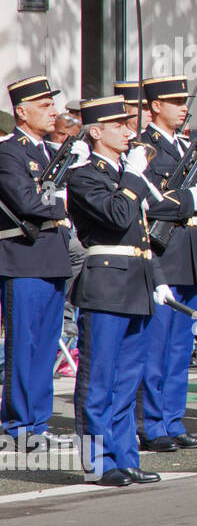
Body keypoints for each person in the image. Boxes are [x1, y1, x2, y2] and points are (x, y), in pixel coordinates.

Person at [66, 96, 162, 486]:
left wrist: (157, 279)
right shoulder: (85, 175)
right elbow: (119, 215)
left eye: (129, 124)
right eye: (119, 125)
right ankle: (98, 462)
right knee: (99, 377)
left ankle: (126, 456)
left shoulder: (124, 172)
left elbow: (140, 235)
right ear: (96, 131)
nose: (129, 131)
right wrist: (135, 178)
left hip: (136, 279)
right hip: (106, 282)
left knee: (127, 378)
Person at [137, 75, 197, 452]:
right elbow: (150, 201)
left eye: (186, 102)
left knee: (180, 348)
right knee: (157, 346)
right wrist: (189, 201)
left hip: (190, 253)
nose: (184, 108)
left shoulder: (188, 145)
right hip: (163, 253)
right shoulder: (145, 148)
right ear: (155, 106)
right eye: (175, 102)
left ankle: (172, 418)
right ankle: (151, 424)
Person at [0, 75, 75, 450]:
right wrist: (68, 203)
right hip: (24, 261)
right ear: (21, 111)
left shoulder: (51, 152)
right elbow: (28, 202)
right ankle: (18, 427)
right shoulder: (10, 152)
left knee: (46, 347)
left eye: (52, 104)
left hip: (53, 257)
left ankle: (38, 423)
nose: (54, 112)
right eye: (45, 105)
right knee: (24, 346)